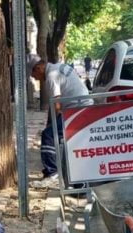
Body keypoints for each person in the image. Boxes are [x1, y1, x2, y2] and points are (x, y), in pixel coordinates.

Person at [28, 54, 93, 188]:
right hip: (80, 106)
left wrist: (53, 125)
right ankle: (72, 177)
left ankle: (52, 173)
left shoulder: (51, 76)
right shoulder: (57, 67)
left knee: (49, 135)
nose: (34, 78)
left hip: (78, 109)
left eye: (33, 74)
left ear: (38, 68)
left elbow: (57, 106)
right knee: (58, 136)